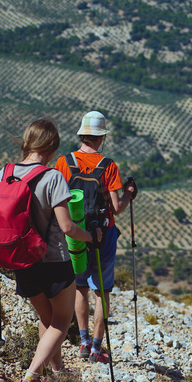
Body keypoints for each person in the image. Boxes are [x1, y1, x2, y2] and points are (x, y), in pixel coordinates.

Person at [0, 118, 100, 382]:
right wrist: (91, 238)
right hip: (53, 261)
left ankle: (57, 369)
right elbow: (67, 226)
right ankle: (32, 375)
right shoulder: (52, 177)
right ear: (52, 146)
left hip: (20, 260)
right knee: (62, 322)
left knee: (46, 319)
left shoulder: (5, 172)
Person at [55, 110, 137, 364]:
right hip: (103, 234)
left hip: (74, 234)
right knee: (101, 291)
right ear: (101, 137)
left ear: (82, 134)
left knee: (80, 288)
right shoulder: (108, 166)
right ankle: (97, 349)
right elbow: (117, 208)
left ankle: (83, 342)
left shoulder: (63, 163)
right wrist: (130, 194)